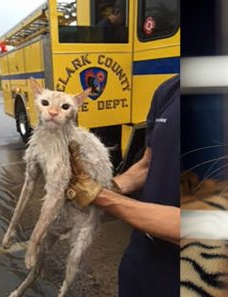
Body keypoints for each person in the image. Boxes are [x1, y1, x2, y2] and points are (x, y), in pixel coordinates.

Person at [67, 75, 180, 297]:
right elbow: (148, 165)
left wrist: (98, 195)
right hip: (141, 257)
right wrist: (105, 184)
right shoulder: (169, 90)